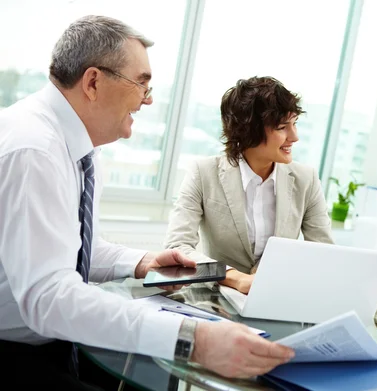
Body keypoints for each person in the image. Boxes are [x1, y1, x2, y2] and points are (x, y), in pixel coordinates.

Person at [0, 16, 293, 390]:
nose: (149, 98)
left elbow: (66, 246)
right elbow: (48, 297)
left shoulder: (75, 147)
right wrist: (194, 340)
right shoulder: (35, 151)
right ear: (93, 82)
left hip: (49, 340)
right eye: (142, 83)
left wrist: (142, 262)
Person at [164, 76, 334, 294]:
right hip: (217, 296)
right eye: (283, 127)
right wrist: (235, 278)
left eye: (295, 124)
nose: (295, 137)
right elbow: (177, 248)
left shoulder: (306, 179)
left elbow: (323, 254)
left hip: (277, 296)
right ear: (249, 130)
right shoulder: (203, 172)